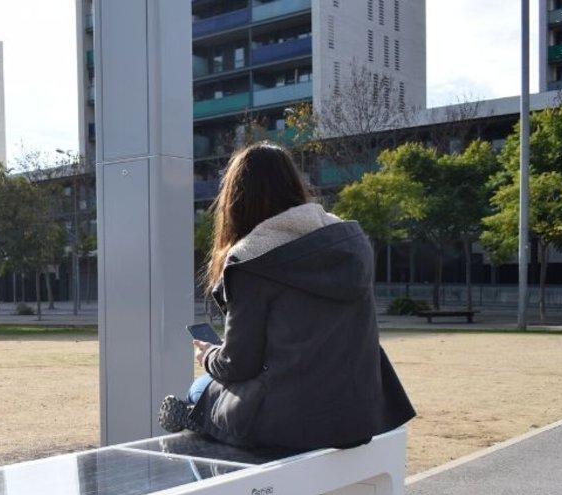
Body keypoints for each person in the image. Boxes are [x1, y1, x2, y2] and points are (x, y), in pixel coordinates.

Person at [158, 142, 415, 452]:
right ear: (295, 185)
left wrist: (208, 355)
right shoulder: (349, 242)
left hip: (288, 422)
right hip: (357, 416)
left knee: (199, 390)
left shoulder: (251, 259)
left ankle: (192, 420)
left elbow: (239, 364)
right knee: (207, 397)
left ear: (236, 199)